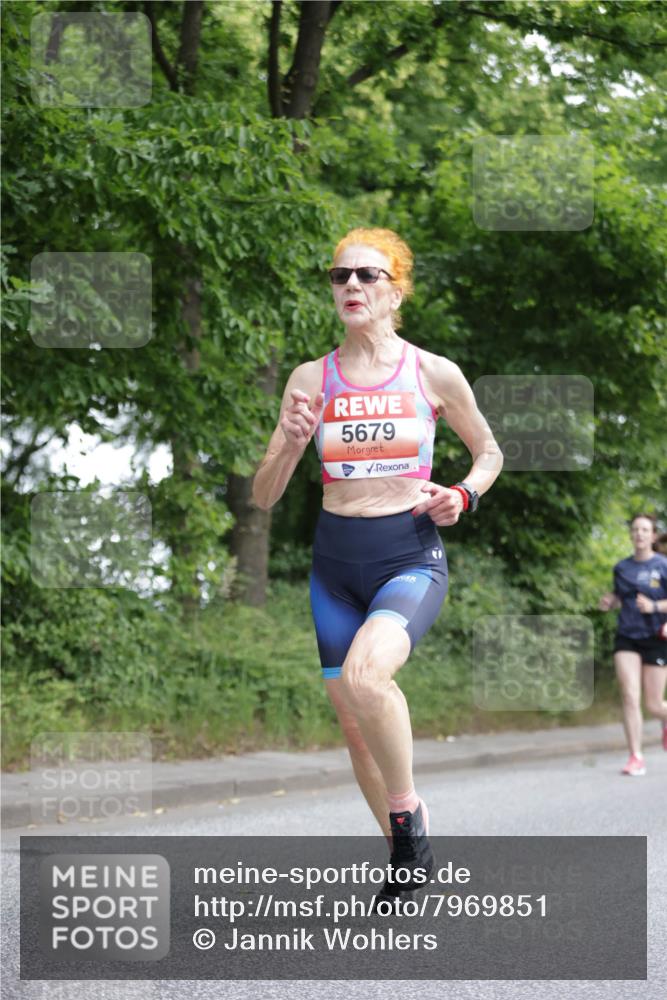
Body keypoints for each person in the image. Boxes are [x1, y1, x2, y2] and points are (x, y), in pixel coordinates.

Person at [252, 228, 502, 908]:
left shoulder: (431, 372)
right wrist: (290, 446)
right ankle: (404, 855)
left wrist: (462, 493)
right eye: (339, 276)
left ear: (396, 290)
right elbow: (264, 493)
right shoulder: (311, 378)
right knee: (354, 723)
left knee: (368, 677)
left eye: (366, 275)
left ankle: (407, 818)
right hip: (335, 564)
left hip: (407, 555)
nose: (351, 286)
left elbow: (488, 451)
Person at [598, 513, 667, 775]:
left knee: (654, 705)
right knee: (629, 696)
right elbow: (621, 596)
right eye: (635, 529)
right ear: (631, 534)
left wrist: (654, 606)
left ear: (653, 535)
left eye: (645, 530)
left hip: (656, 637)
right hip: (627, 635)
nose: (639, 534)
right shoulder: (622, 567)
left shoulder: (663, 565)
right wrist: (610, 601)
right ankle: (635, 756)